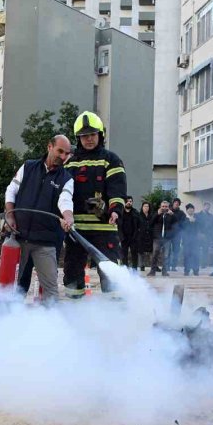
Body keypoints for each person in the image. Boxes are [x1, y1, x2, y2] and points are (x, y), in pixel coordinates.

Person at [4, 135, 74, 303]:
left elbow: (65, 200)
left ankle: (49, 325)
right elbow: (11, 190)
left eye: (67, 153)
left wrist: (68, 217)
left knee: (50, 289)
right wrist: (11, 215)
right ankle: (10, 322)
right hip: (20, 237)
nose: (63, 157)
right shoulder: (28, 167)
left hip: (46, 242)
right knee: (17, 286)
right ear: (49, 147)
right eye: (60, 151)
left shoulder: (66, 179)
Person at [63, 111, 127, 296]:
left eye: (92, 134)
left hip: (104, 228)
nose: (88, 139)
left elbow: (117, 189)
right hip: (76, 230)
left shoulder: (110, 159)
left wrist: (115, 210)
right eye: (84, 136)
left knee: (110, 275)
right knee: (72, 274)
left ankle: (114, 315)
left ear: (100, 135)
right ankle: (76, 313)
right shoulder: (70, 163)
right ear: (78, 138)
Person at [149, 200, 176, 276]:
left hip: (167, 238)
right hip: (157, 238)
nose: (164, 208)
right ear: (160, 207)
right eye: (163, 206)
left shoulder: (171, 215)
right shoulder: (156, 213)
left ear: (169, 207)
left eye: (166, 206)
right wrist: (157, 214)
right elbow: (151, 223)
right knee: (155, 254)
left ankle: (164, 271)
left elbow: (176, 224)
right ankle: (152, 271)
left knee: (166, 256)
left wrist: (173, 215)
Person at [119, 196, 141, 269]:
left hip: (133, 237)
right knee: (124, 255)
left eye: (130, 201)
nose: (129, 202)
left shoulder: (135, 212)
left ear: (132, 202)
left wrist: (137, 235)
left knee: (134, 254)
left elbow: (140, 224)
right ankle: (126, 269)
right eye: (127, 201)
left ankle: (134, 270)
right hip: (124, 237)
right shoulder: (120, 212)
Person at [181, 203, 200, 275]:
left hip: (195, 241)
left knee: (196, 255)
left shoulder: (197, 218)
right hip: (186, 240)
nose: (191, 211)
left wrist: (195, 222)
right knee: (187, 256)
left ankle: (196, 270)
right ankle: (186, 270)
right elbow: (182, 226)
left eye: (192, 210)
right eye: (189, 210)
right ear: (187, 210)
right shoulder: (184, 218)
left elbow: (200, 226)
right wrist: (189, 221)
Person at [167, 198, 185, 272]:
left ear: (179, 205)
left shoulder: (181, 213)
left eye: (178, 203)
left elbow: (182, 224)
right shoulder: (168, 211)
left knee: (176, 251)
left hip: (177, 235)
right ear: (173, 203)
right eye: (175, 203)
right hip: (168, 234)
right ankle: (167, 266)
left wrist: (173, 215)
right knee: (168, 251)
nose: (176, 204)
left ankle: (174, 266)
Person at [195, 202, 213, 268]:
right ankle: (196, 263)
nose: (207, 208)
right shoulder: (197, 215)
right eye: (206, 206)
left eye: (209, 207)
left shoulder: (211, 216)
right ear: (203, 206)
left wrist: (210, 236)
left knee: (205, 250)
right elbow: (195, 225)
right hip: (199, 235)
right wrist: (198, 233)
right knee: (196, 250)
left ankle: (203, 264)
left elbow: (212, 227)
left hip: (207, 236)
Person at [137, 202, 154, 272]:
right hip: (141, 236)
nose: (146, 208)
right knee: (141, 252)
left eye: (147, 206)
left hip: (150, 235)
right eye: (145, 206)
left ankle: (153, 266)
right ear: (142, 207)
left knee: (152, 251)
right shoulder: (139, 215)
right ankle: (141, 265)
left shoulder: (151, 216)